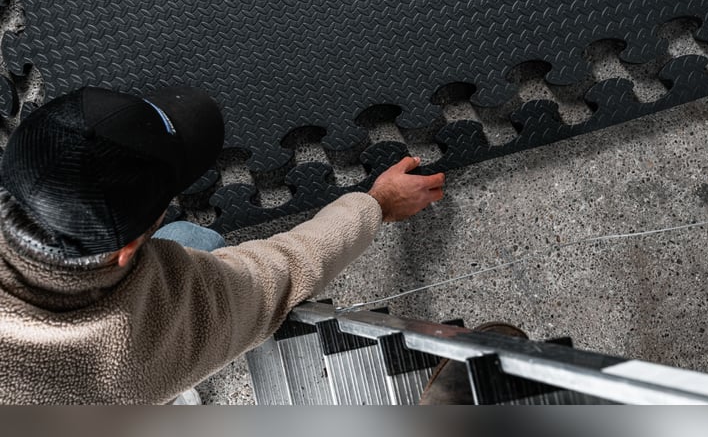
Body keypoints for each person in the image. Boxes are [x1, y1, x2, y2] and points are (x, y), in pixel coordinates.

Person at [0, 85, 445, 404]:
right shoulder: (134, 357)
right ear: (125, 251)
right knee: (195, 239)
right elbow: (286, 269)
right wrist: (377, 204)